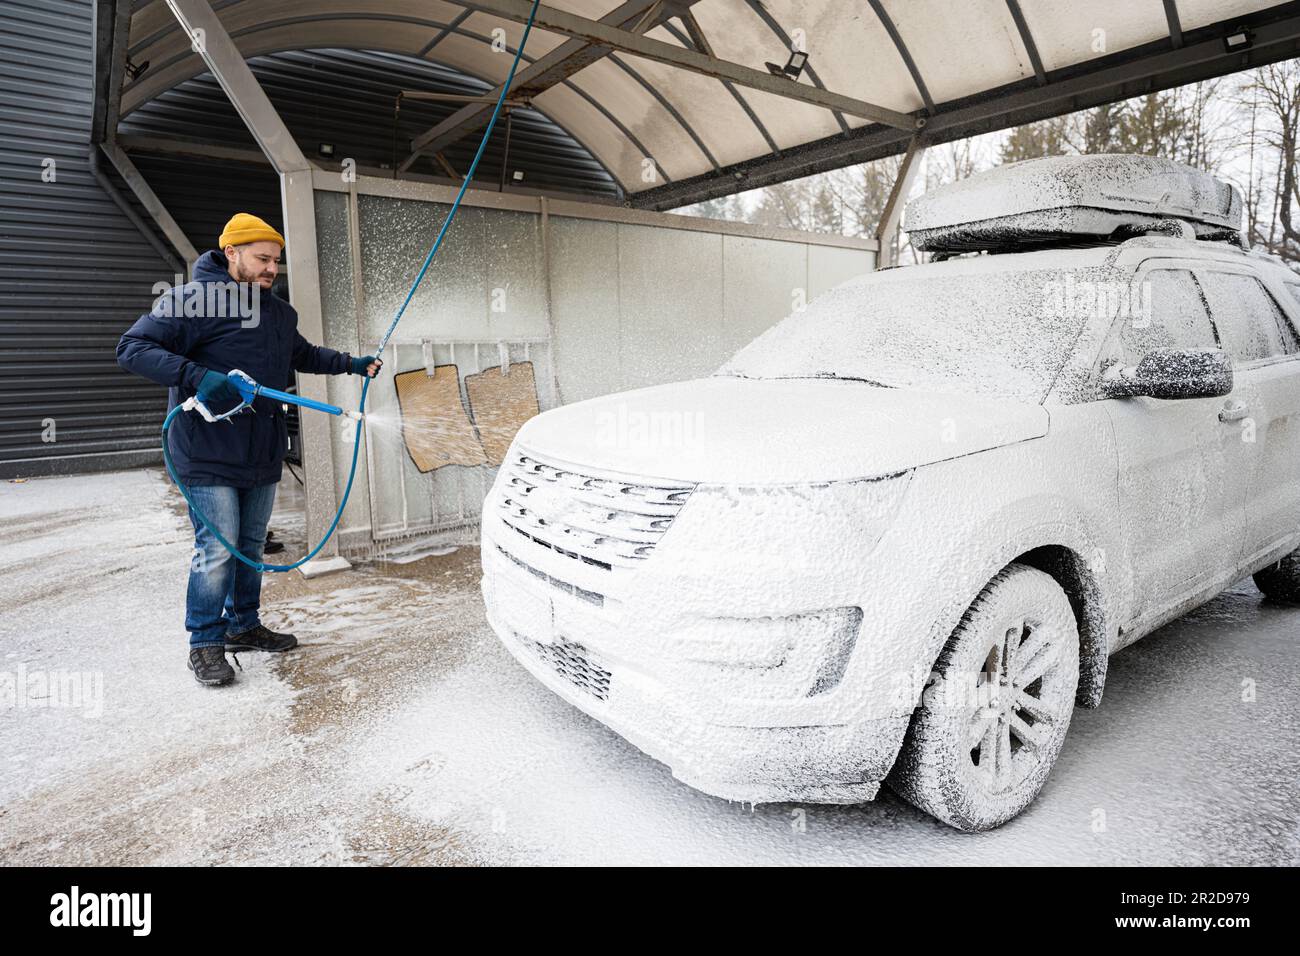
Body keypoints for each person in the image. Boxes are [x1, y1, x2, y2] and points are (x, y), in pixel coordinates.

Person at [117, 213, 382, 687]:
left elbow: (300, 355)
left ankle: (243, 625)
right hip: (207, 450)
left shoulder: (277, 311)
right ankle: (205, 643)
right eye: (262, 259)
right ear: (232, 253)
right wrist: (197, 376)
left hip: (261, 449)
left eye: (275, 261)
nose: (271, 269)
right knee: (216, 549)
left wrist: (351, 364)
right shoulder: (191, 301)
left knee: (249, 546)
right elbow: (132, 347)